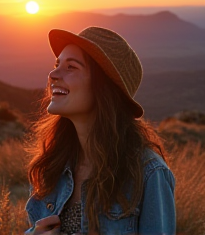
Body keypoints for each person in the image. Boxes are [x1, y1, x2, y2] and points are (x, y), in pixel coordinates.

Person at [25, 27, 176, 235]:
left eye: (71, 67)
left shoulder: (148, 174)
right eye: (57, 64)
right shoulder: (51, 166)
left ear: (103, 86)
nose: (52, 74)